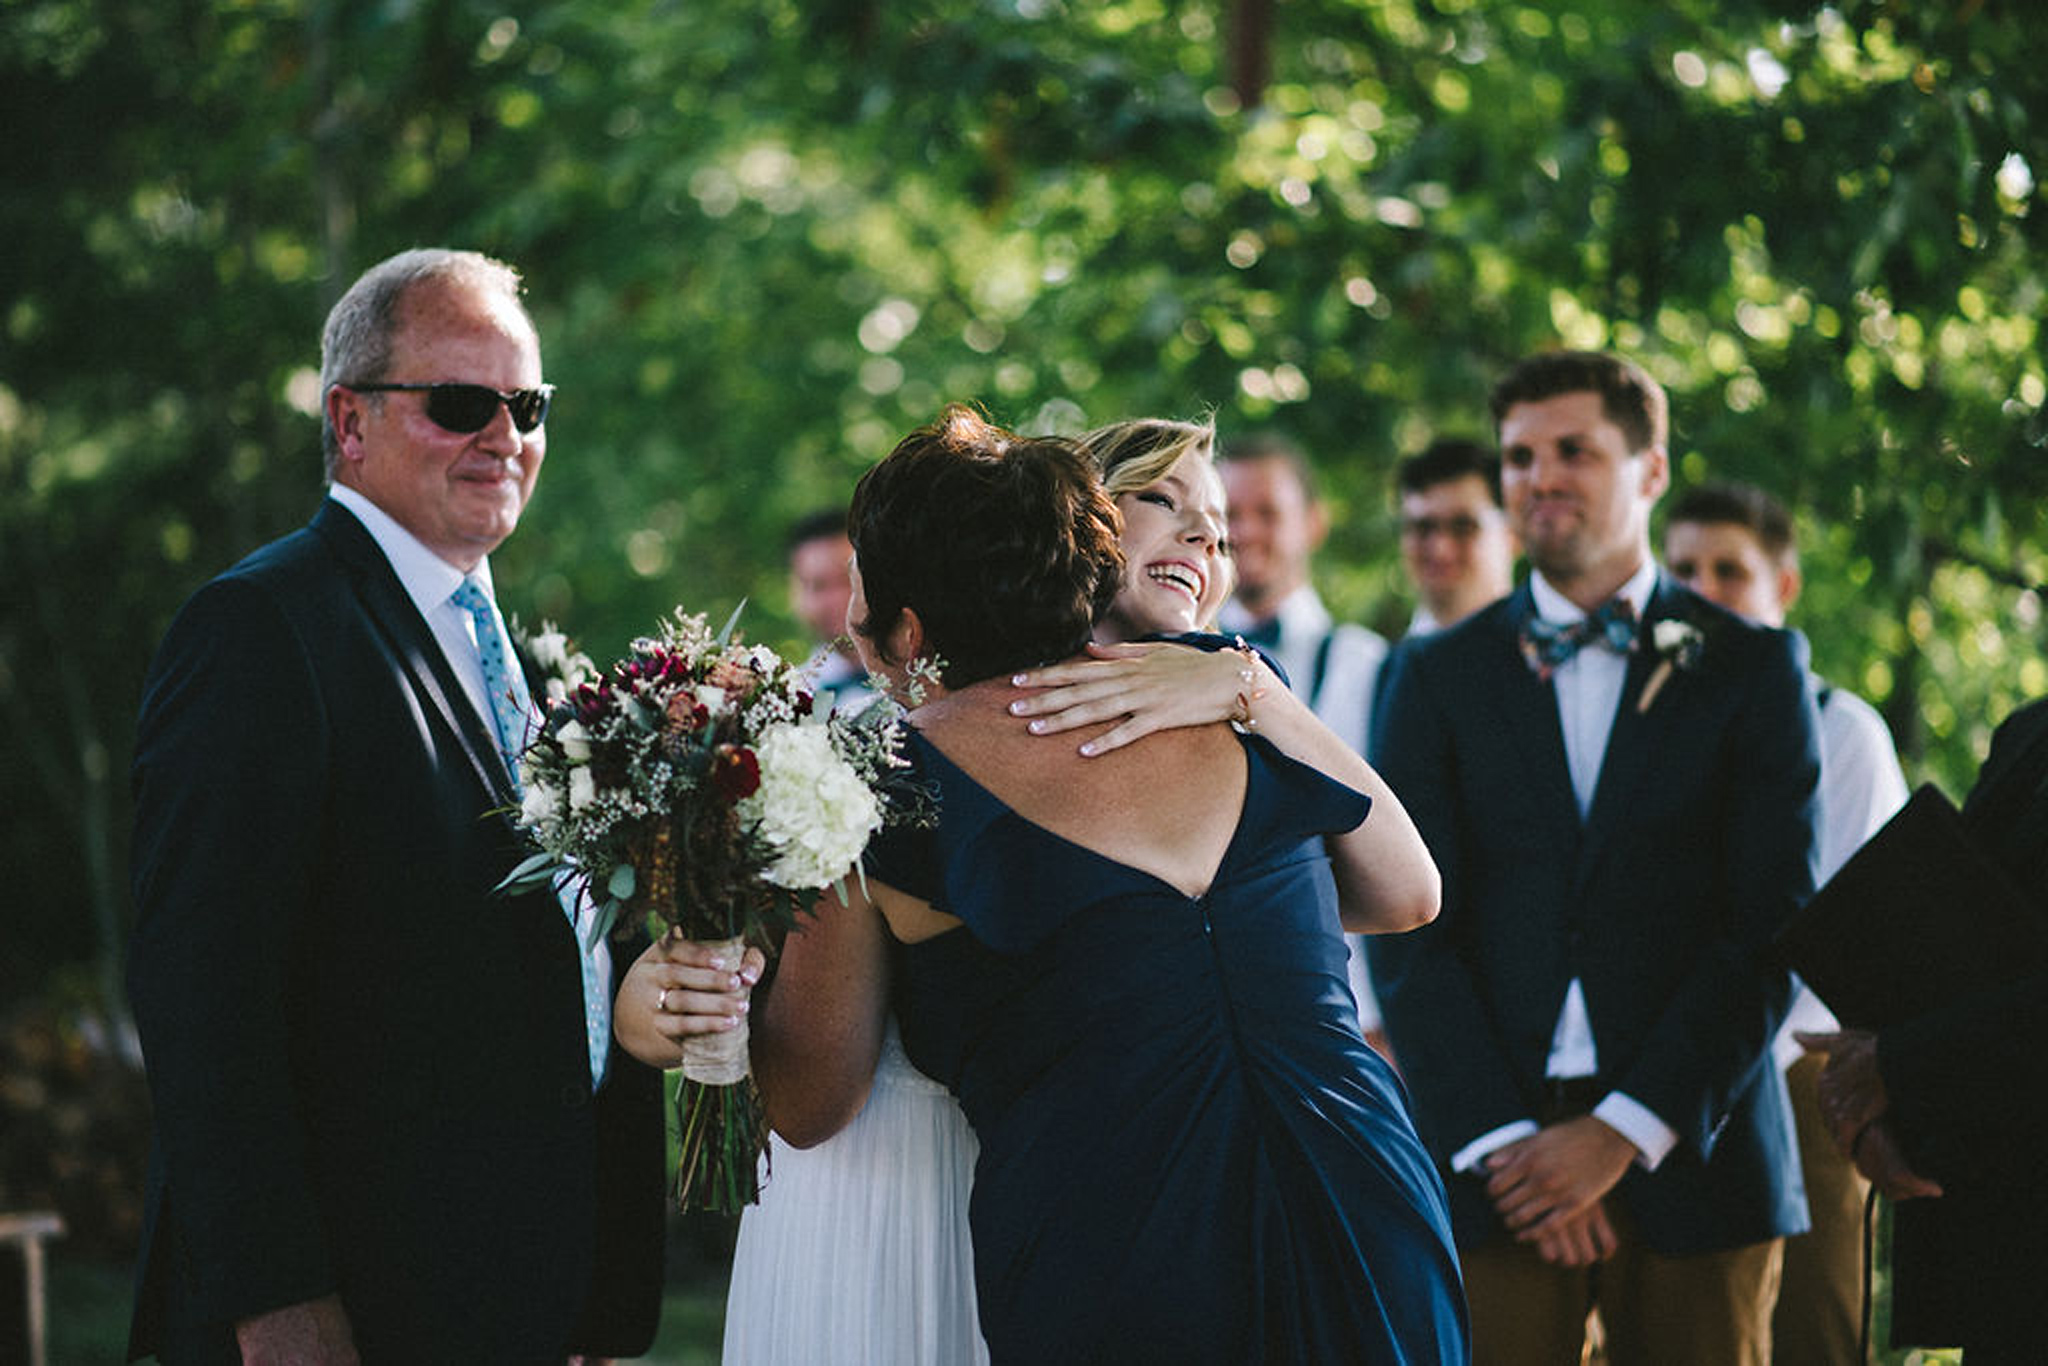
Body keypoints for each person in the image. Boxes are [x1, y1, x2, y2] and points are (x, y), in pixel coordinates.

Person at [124, 249, 665, 1364]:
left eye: (526, 404)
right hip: (359, 1295)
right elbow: (202, 999)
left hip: (526, 1293)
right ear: (350, 420)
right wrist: (276, 1303)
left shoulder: (534, 666)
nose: (504, 435)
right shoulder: (262, 631)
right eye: (461, 402)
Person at [621, 415, 1245, 1366]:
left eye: (860, 584)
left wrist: (713, 1006)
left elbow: (809, 1099)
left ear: (905, 629)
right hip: (1075, 1201)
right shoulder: (1168, 748)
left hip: (885, 1207)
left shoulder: (872, 787)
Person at [1368, 351, 1819, 1366]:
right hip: (1496, 1173)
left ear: (1650, 470)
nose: (1539, 477)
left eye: (1575, 450)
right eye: (1519, 456)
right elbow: (1404, 928)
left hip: (1698, 1152)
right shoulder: (1432, 673)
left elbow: (1770, 921)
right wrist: (1502, 1145)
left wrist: (1620, 1130)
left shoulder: (1751, 667)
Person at [1663, 480, 1908, 1365]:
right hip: (1670, 1064)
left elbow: (1834, 926)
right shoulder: (1652, 728)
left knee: (1811, 1320)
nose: (1703, 588)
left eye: (1731, 570)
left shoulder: (1844, 732)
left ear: (1784, 586)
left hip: (1796, 1067)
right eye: (1683, 568)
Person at [1799, 699, 2048, 1363]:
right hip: (2004, 1249)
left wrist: (1898, 1065)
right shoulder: (2029, 733)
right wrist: (1891, 1111)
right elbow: (1955, 941)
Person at [1217, 431, 1390, 755]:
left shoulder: (1368, 663)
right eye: (1230, 515)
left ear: (1314, 523)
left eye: (1268, 513)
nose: (1245, 532)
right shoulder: (1181, 652)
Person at [1394, 437, 1517, 638]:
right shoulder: (1380, 665)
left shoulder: (1550, 659)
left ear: (1512, 533)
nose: (1440, 549)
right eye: (1423, 528)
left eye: (1463, 527)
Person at [785, 507, 880, 716]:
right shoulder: (788, 696)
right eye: (818, 586)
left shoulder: (925, 685)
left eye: (847, 580)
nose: (837, 599)